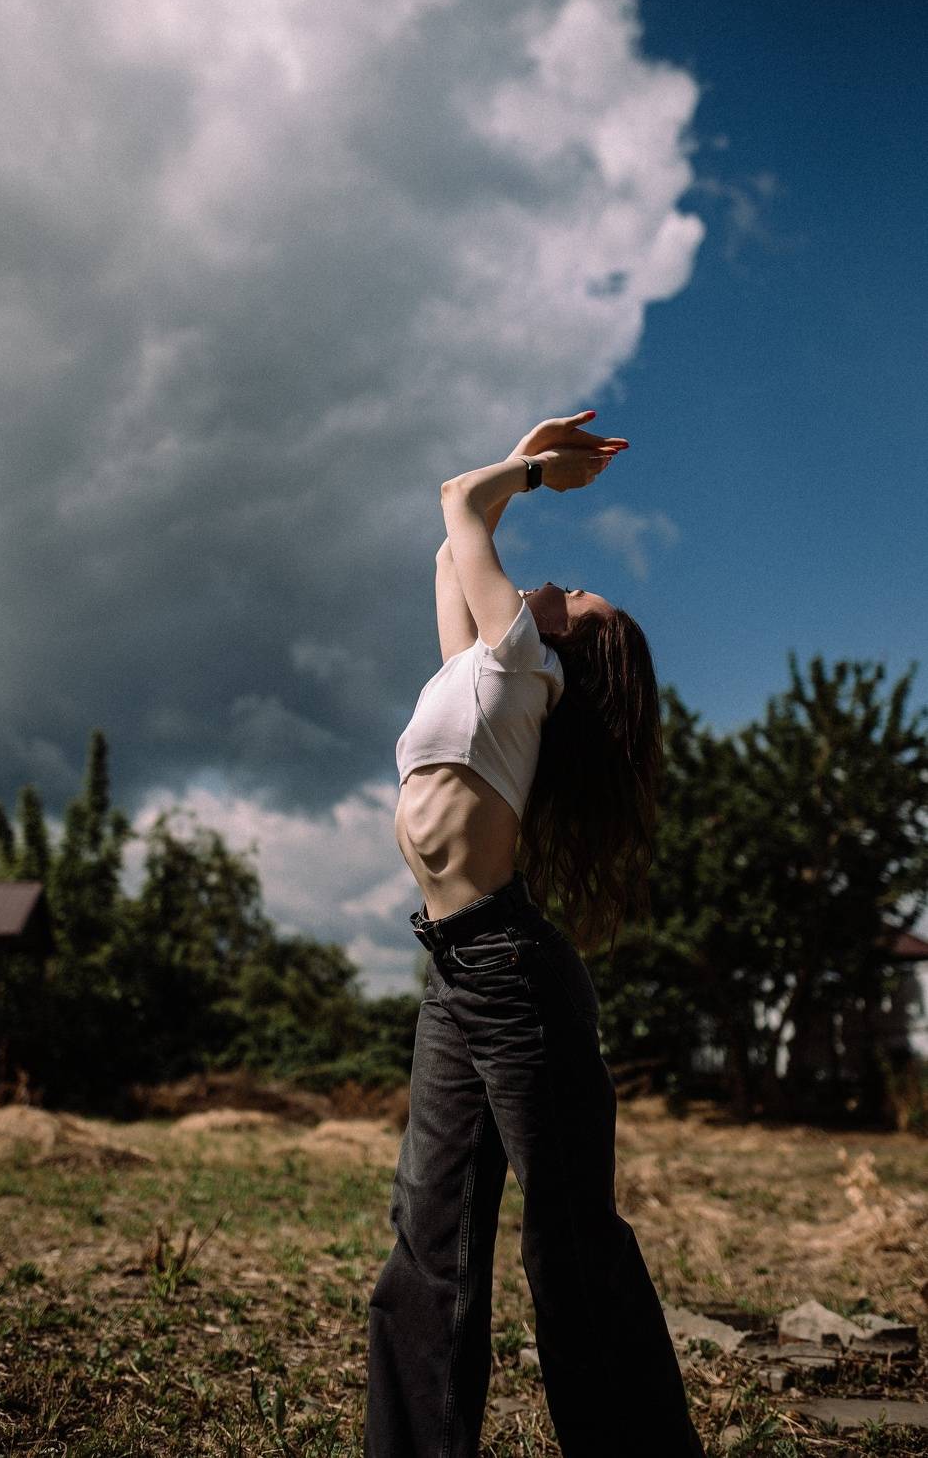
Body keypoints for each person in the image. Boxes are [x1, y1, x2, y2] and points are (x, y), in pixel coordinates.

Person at [362, 410, 707, 1458]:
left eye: (580, 596)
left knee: (568, 1243)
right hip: (454, 968)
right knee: (428, 1242)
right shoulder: (480, 669)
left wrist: (534, 472)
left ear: (573, 646)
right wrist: (525, 447)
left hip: (512, 970)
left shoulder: (523, 663)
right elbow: (450, 547)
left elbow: (460, 503)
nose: (563, 583)